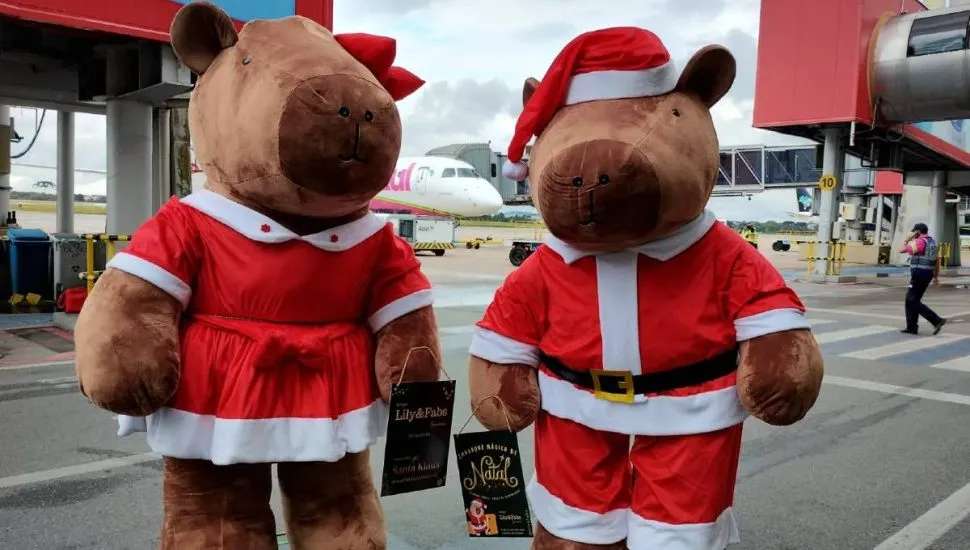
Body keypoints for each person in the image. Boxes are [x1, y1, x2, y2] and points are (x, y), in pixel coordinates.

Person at [899, 222, 946, 335]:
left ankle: (936, 320)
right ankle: (912, 327)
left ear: (917, 232)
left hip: (919, 274)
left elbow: (902, 250)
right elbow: (937, 260)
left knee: (911, 300)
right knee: (912, 300)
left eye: (914, 231)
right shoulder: (932, 242)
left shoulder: (919, 242)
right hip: (927, 274)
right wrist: (935, 276)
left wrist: (906, 240)